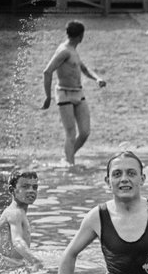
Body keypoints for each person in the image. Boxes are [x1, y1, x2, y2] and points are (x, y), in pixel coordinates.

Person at [41, 20, 106, 165]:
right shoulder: (64, 51)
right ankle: (70, 165)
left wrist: (97, 79)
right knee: (70, 134)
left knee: (84, 132)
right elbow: (47, 71)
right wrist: (48, 97)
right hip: (64, 94)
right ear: (81, 36)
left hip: (78, 93)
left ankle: (68, 158)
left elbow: (84, 69)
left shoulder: (73, 50)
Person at [0, 170, 42, 268]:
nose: (31, 190)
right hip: (5, 270)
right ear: (12, 190)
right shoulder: (15, 212)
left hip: (8, 266)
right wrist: (34, 260)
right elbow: (17, 241)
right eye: (25, 187)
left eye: (34, 187)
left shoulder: (19, 212)